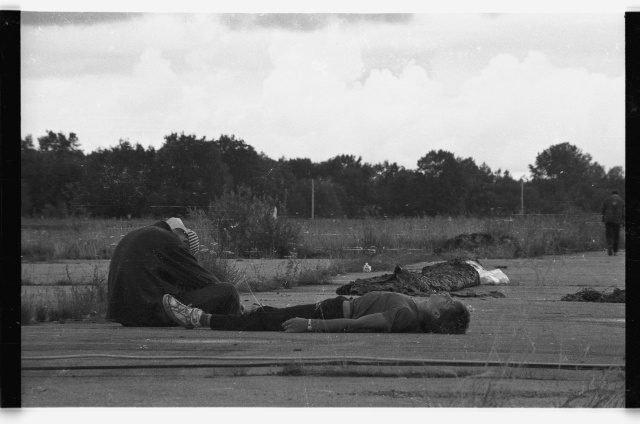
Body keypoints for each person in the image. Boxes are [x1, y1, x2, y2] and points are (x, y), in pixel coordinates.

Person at [106, 217, 242, 327]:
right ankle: (234, 323)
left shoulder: (139, 234)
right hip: (153, 313)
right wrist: (236, 304)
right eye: (185, 245)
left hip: (125, 316)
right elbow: (207, 281)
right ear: (182, 235)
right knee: (228, 291)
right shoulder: (169, 240)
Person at [162, 290, 471, 334]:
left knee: (264, 321)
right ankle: (262, 312)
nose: (441, 295)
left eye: (444, 301)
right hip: (335, 305)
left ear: (438, 316)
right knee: (268, 314)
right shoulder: (414, 308)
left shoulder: (406, 316)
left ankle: (198, 318)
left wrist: (310, 325)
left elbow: (361, 324)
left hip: (331, 311)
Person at [601, 190, 625, 256]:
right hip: (617, 220)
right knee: (616, 236)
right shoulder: (622, 201)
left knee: (609, 234)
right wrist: (623, 221)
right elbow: (623, 213)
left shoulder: (606, 200)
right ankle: (615, 251)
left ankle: (609, 245)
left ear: (612, 194)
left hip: (608, 220)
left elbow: (603, 210)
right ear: (617, 194)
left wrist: (603, 219)